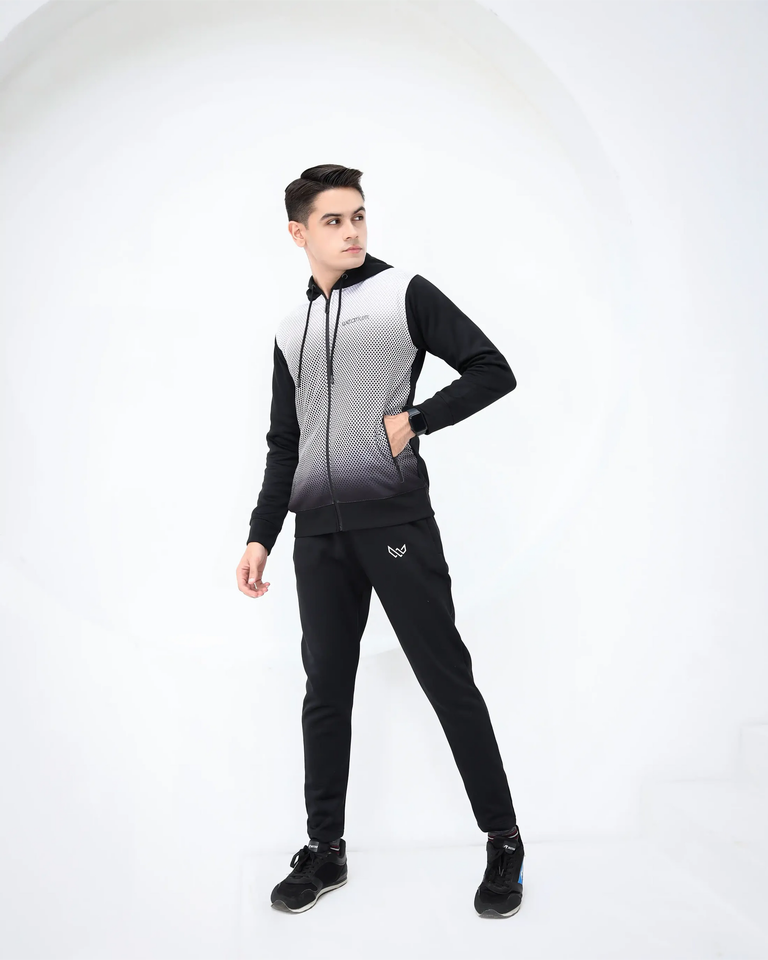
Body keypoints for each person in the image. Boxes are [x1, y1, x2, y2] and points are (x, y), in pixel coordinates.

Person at [235, 164, 524, 918]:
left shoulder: (403, 294)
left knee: (445, 679)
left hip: (394, 524)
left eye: (359, 215)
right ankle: (325, 849)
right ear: (298, 233)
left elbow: (493, 370)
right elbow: (285, 441)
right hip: (317, 537)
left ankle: (503, 841)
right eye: (334, 221)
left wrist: (418, 419)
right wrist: (262, 534)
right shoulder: (290, 328)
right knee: (325, 692)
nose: (352, 231)